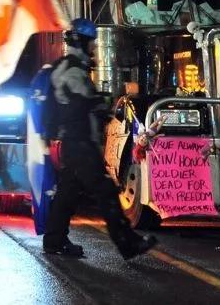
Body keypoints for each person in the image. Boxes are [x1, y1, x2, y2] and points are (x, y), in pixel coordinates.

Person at [42, 18, 158, 260]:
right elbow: (77, 105)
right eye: (90, 43)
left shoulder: (63, 67)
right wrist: (97, 105)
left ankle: (54, 241)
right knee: (105, 192)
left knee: (68, 193)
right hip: (80, 143)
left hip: (72, 144)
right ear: (82, 42)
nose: (93, 48)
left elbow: (57, 109)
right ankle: (128, 244)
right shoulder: (73, 70)